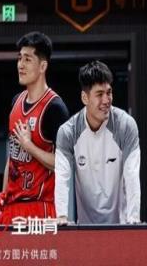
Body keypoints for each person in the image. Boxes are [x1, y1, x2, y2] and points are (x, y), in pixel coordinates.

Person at [0, 31, 69, 224]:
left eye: (27, 59)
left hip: (40, 207)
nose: (20, 65)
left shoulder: (55, 108)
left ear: (42, 66)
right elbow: (12, 159)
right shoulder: (16, 101)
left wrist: (29, 146)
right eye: (19, 58)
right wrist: (3, 196)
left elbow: (63, 164)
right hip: (12, 205)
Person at [55, 60, 141, 224]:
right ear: (85, 97)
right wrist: (62, 216)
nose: (106, 100)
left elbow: (132, 174)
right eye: (100, 94)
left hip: (121, 225)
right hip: (86, 227)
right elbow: (62, 176)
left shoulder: (125, 125)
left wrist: (134, 218)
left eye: (109, 92)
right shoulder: (68, 132)